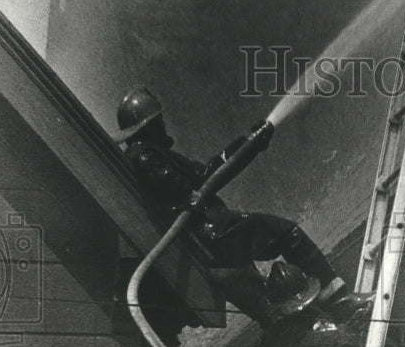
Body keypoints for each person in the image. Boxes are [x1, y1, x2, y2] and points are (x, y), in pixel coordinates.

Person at [112, 86, 371, 326]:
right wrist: (250, 144)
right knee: (287, 234)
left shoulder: (150, 153)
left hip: (210, 239)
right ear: (149, 124)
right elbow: (196, 186)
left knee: (267, 306)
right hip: (215, 234)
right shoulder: (145, 156)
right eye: (158, 119)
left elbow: (204, 173)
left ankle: (320, 330)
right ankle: (341, 304)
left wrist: (248, 141)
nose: (162, 124)